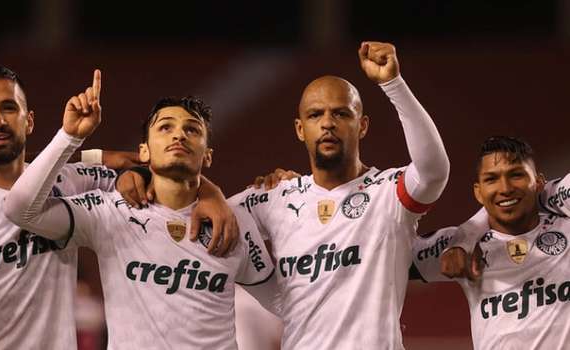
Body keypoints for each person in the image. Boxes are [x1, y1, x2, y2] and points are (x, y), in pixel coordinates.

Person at [0, 66, 236, 348]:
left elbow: (163, 168)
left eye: (8, 107)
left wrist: (209, 192)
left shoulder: (71, 179)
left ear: (28, 121)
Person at [3, 78, 275, 348]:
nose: (178, 135)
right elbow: (20, 209)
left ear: (208, 156)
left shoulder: (232, 221)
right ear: (143, 151)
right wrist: (70, 137)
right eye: (165, 127)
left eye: (192, 130)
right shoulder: (109, 213)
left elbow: (283, 301)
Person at [223, 41, 449, 348]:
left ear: (363, 125)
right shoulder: (277, 197)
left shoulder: (388, 193)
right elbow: (210, 217)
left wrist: (393, 84)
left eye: (341, 113)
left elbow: (434, 170)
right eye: (315, 115)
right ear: (300, 129)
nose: (327, 123)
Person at [412, 136, 570, 349]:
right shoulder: (458, 248)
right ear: (478, 192)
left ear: (539, 182)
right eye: (491, 179)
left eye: (516, 175)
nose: (505, 188)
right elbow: (378, 260)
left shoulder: (565, 228)